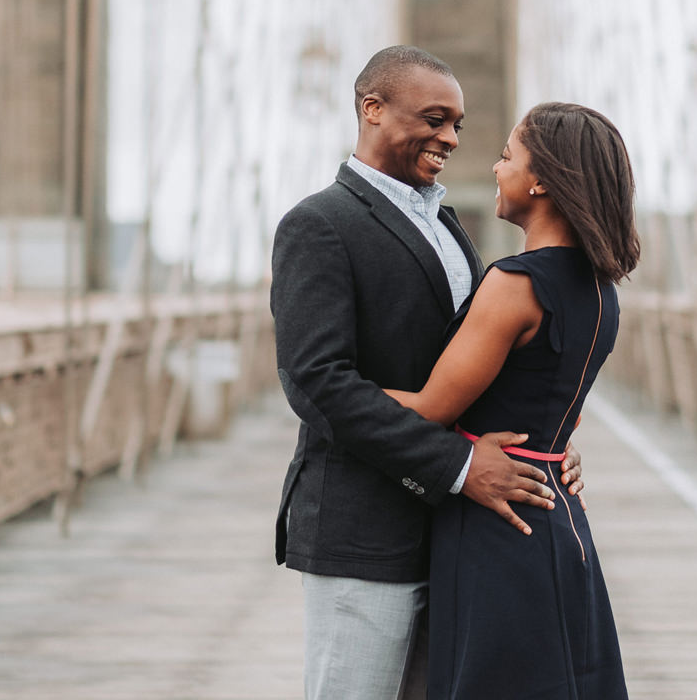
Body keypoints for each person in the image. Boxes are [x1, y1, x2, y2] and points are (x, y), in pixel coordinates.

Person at [271, 46, 587, 700]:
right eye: (435, 118)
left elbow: (476, 371)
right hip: (363, 531)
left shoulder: (447, 226)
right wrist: (462, 466)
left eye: (458, 125)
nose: (449, 138)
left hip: (456, 539)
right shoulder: (317, 225)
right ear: (373, 109)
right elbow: (318, 385)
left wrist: (549, 441)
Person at [384, 101, 640, 700]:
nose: (497, 170)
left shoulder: (515, 282)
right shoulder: (600, 288)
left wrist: (331, 385)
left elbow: (430, 410)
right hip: (559, 518)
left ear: (542, 178)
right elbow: (554, 402)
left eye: (505, 157)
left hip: (498, 526)